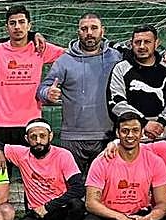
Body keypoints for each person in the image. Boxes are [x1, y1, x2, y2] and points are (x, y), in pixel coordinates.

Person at [37, 12, 124, 171]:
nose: (89, 32)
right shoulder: (65, 61)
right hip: (72, 137)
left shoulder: (117, 57)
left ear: (102, 31)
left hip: (108, 136)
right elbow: (42, 89)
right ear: (78, 32)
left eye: (94, 28)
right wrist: (48, 93)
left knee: (105, 189)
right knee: (73, 188)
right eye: (84, 29)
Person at [0, 5, 65, 145]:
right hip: (3, 124)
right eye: (13, 23)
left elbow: (70, 56)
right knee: (2, 167)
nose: (17, 27)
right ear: (6, 27)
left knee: (31, 167)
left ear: (29, 26)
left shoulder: (40, 48)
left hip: (32, 124)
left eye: (22, 22)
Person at [108, 24, 166, 144]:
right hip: (131, 138)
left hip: (164, 136)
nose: (142, 46)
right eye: (138, 42)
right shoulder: (121, 68)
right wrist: (143, 123)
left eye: (147, 42)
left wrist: (162, 122)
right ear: (131, 43)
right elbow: (116, 102)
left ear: (156, 43)